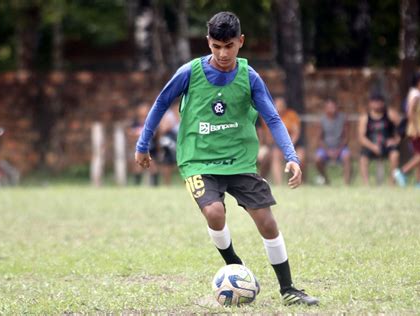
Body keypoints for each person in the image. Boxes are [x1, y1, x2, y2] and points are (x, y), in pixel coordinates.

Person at [135, 12, 318, 306]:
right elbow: (160, 104)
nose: (222, 53)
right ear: (208, 42)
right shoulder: (189, 73)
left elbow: (272, 117)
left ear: (240, 42)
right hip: (198, 161)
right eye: (216, 46)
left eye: (229, 46)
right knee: (215, 213)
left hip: (239, 162)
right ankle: (236, 267)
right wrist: (143, 145)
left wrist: (291, 156)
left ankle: (289, 290)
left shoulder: (249, 77)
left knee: (267, 222)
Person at [258, 96, 305, 185]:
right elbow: (268, 137)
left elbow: (296, 133)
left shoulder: (291, 114)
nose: (279, 107)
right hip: (276, 146)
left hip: (293, 144)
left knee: (300, 157)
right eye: (277, 105)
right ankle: (279, 183)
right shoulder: (269, 116)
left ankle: (298, 181)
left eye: (281, 105)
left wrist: (289, 147)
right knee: (275, 154)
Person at [394, 73, 420, 187]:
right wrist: (416, 129)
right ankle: (402, 172)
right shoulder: (416, 94)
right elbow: (410, 111)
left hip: (416, 129)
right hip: (416, 130)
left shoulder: (415, 93)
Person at [358, 94, 401, 185]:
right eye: (374, 102)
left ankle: (392, 182)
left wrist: (396, 140)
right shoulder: (365, 117)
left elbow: (402, 128)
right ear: (370, 104)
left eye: (379, 102)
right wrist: (372, 146)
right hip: (371, 145)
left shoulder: (390, 114)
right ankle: (366, 185)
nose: (377, 104)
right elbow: (361, 138)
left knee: (395, 155)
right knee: (363, 158)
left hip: (387, 145)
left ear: (383, 103)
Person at [314, 98, 351, 185]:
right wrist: (328, 151)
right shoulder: (321, 120)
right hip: (326, 148)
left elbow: (346, 137)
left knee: (347, 156)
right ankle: (326, 180)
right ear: (325, 108)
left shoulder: (343, 119)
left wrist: (338, 150)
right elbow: (319, 139)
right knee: (317, 159)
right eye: (329, 107)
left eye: (333, 107)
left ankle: (346, 183)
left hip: (341, 148)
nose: (332, 109)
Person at [129, 102, 159, 186]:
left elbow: (155, 134)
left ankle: (155, 186)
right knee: (138, 167)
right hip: (138, 148)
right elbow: (130, 134)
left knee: (153, 167)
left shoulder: (151, 122)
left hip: (151, 148)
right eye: (142, 110)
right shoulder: (135, 123)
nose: (144, 112)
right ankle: (136, 186)